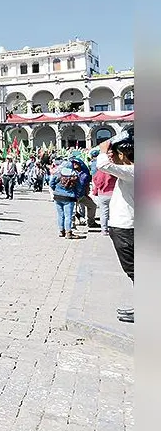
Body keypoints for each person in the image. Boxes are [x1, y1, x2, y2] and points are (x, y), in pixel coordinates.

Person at [95, 132, 134, 322]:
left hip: (126, 228)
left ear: (124, 155)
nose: (113, 156)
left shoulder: (135, 171)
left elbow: (102, 165)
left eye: (116, 153)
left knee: (135, 270)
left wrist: (104, 150)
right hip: (125, 227)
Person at [49, 163, 82, 239]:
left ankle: (61, 231)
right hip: (69, 198)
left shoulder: (58, 173)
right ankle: (68, 233)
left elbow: (51, 183)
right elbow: (79, 187)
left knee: (60, 215)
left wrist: (56, 190)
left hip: (57, 197)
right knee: (68, 216)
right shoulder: (74, 175)